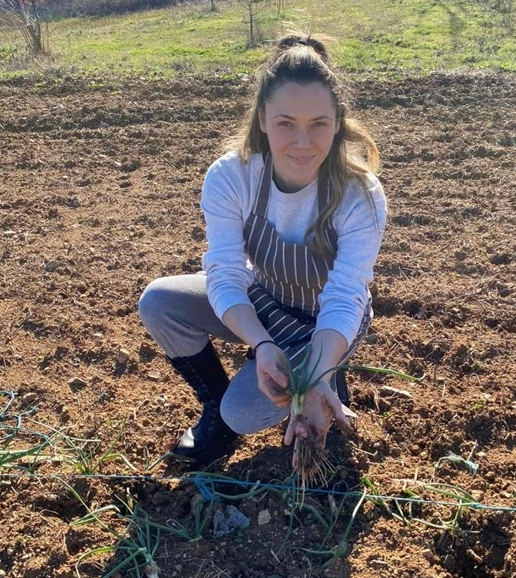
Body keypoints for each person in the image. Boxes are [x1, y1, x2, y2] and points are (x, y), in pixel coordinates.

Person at [138, 33, 387, 469]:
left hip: (326, 319)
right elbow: (227, 274)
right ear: (262, 120)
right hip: (266, 300)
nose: (302, 143)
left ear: (338, 122)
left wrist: (316, 372)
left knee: (246, 412)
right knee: (159, 302)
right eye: (286, 123)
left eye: (318, 124)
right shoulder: (232, 176)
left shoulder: (358, 194)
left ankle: (330, 371)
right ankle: (214, 408)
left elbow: (346, 295)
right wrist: (262, 343)